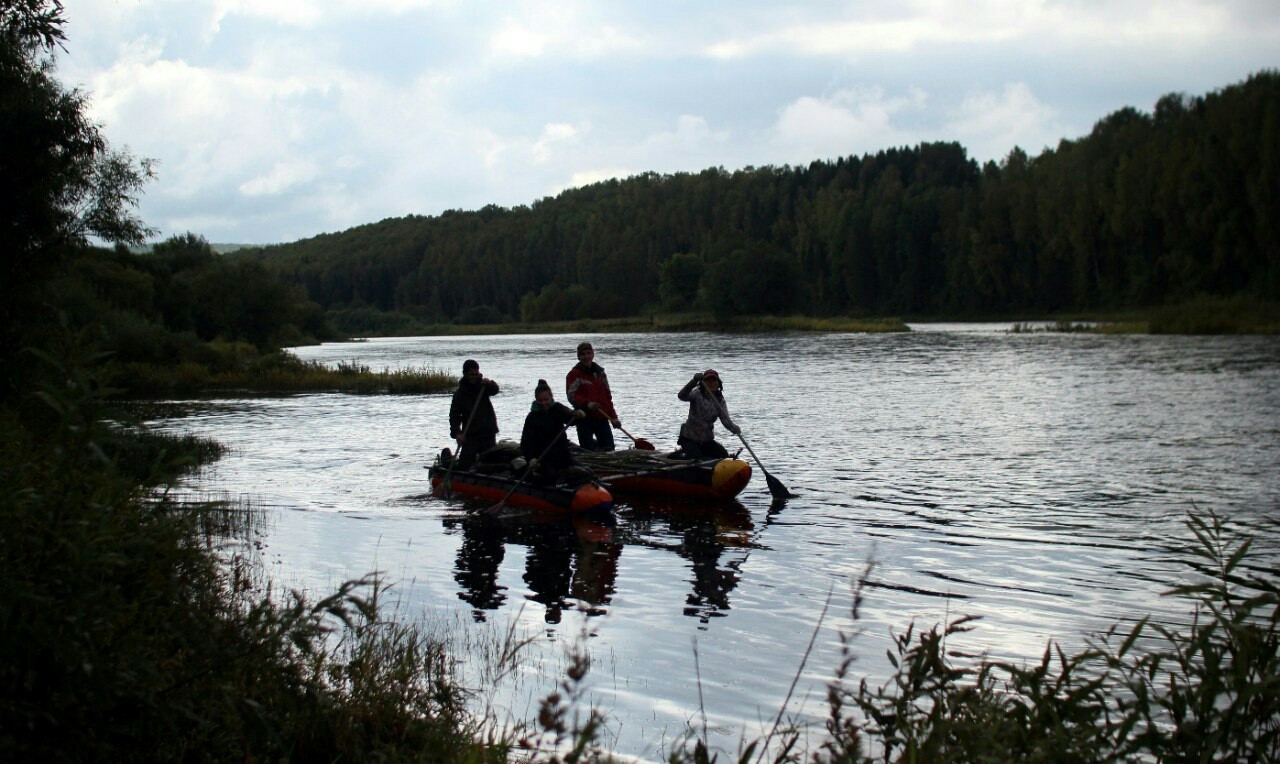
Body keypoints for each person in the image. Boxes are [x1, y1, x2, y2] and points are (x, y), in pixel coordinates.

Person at [521, 379, 586, 484]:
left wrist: (577, 415)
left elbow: (570, 418)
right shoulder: (532, 417)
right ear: (536, 400)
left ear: (551, 397)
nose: (543, 403)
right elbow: (526, 442)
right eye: (540, 400)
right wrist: (531, 459)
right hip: (543, 459)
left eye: (546, 400)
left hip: (563, 455)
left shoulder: (557, 408)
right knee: (551, 477)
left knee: (585, 472)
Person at [565, 341, 621, 451]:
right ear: (579, 357)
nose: (586, 356)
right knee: (587, 450)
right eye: (583, 354)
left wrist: (613, 417)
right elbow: (572, 396)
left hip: (602, 418)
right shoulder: (574, 374)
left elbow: (607, 397)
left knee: (610, 449)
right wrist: (588, 404)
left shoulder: (601, 374)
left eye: (588, 353)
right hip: (584, 418)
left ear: (593, 354)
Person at [676, 369, 741, 459]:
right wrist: (694, 381)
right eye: (708, 381)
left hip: (707, 440)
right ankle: (681, 455)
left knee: (723, 455)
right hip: (690, 438)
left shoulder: (720, 400)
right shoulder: (697, 393)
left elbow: (725, 420)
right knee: (695, 458)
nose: (711, 383)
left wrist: (733, 428)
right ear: (703, 383)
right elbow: (681, 396)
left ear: (718, 383)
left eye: (714, 380)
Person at [448, 359, 500, 469]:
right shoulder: (459, 394)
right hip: (470, 435)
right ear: (465, 374)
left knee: (490, 463)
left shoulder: (483, 386)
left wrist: (491, 383)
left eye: (476, 374)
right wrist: (457, 433)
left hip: (488, 433)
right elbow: (454, 416)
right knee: (465, 465)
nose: (474, 377)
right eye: (471, 374)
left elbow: (495, 390)